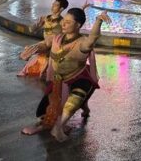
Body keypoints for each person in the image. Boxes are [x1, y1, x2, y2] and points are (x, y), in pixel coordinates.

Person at [19, 7, 109, 142]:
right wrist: (34, 49)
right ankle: (47, 124)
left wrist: (98, 21)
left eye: (68, 22)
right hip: (57, 80)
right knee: (42, 113)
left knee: (76, 97)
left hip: (77, 77)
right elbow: (45, 43)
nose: (63, 24)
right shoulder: (57, 38)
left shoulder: (81, 43)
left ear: (78, 25)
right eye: (64, 21)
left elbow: (92, 39)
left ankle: (59, 127)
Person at [18, 0, 73, 78]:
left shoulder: (62, 21)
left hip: (55, 46)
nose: (52, 6)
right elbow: (31, 30)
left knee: (37, 47)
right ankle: (32, 52)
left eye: (56, 5)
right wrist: (36, 25)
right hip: (45, 44)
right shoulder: (45, 18)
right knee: (28, 49)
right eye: (53, 4)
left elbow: (72, 27)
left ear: (61, 9)